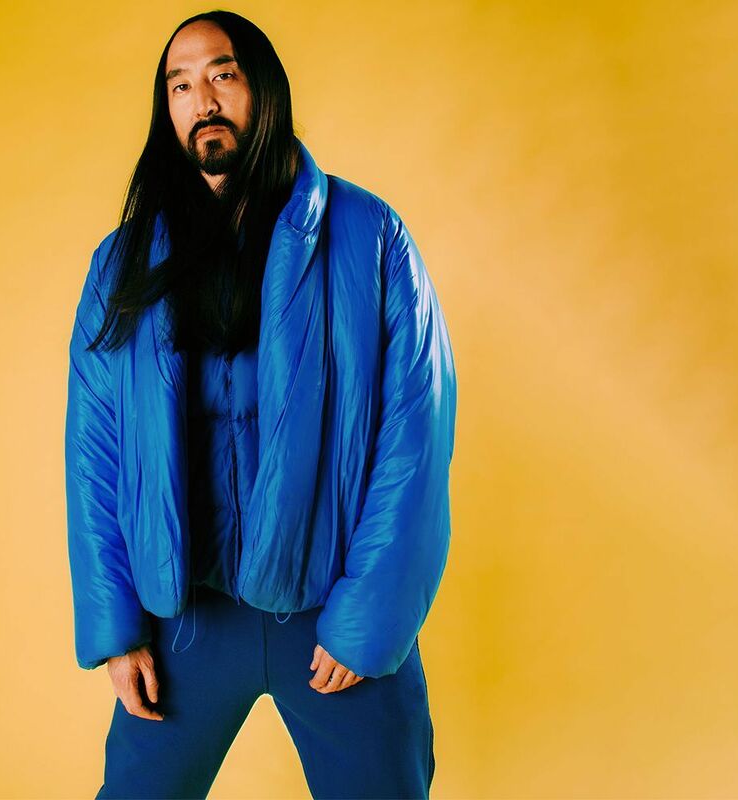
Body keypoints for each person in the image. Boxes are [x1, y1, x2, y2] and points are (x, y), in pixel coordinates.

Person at [65, 10, 457, 799]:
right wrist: (116, 629)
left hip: (332, 615)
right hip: (185, 622)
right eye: (180, 86)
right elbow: (94, 451)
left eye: (223, 74)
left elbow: (414, 434)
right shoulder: (124, 263)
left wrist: (367, 620)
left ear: (264, 91)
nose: (203, 100)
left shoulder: (370, 237)